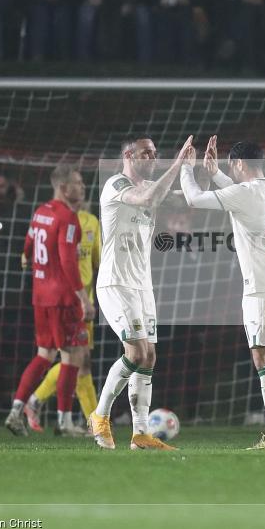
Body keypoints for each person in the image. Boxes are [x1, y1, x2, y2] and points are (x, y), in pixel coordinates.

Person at [180, 136, 265, 450]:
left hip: (264, 287)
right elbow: (240, 194)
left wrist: (186, 168)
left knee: (264, 357)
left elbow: (194, 198)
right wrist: (217, 173)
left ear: (238, 163)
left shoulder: (245, 193)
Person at [88, 136, 193, 451]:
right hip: (116, 282)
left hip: (142, 285)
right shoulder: (116, 185)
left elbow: (187, 198)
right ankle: (100, 415)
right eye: (146, 152)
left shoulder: (152, 186)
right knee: (135, 353)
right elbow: (147, 197)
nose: (152, 157)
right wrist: (177, 163)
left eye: (155, 153)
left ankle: (141, 434)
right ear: (128, 155)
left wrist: (196, 171)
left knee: (148, 357)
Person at [3, 165, 95, 437]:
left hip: (41, 297)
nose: (82, 187)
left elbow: (28, 245)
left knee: (45, 354)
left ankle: (15, 411)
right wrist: (83, 298)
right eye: (77, 182)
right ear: (64, 188)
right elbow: (68, 261)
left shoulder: (41, 212)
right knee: (73, 355)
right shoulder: (68, 218)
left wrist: (29, 260)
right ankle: (64, 421)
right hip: (63, 299)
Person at [24, 202, 101, 434]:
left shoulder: (91, 222)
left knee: (80, 361)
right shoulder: (54, 220)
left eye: (81, 188)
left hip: (84, 301)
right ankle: (95, 424)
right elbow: (30, 255)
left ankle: (36, 401)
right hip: (62, 302)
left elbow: (98, 261)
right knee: (75, 360)